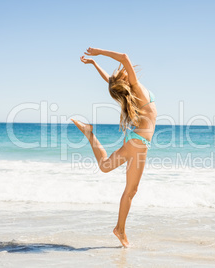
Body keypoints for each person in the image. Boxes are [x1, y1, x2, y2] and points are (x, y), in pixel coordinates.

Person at [71, 47, 157, 247]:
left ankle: (89, 133)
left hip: (135, 140)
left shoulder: (131, 89)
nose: (124, 71)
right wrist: (98, 53)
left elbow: (109, 81)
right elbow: (125, 58)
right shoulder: (134, 85)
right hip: (139, 143)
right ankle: (120, 229)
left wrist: (94, 64)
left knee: (106, 167)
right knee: (130, 190)